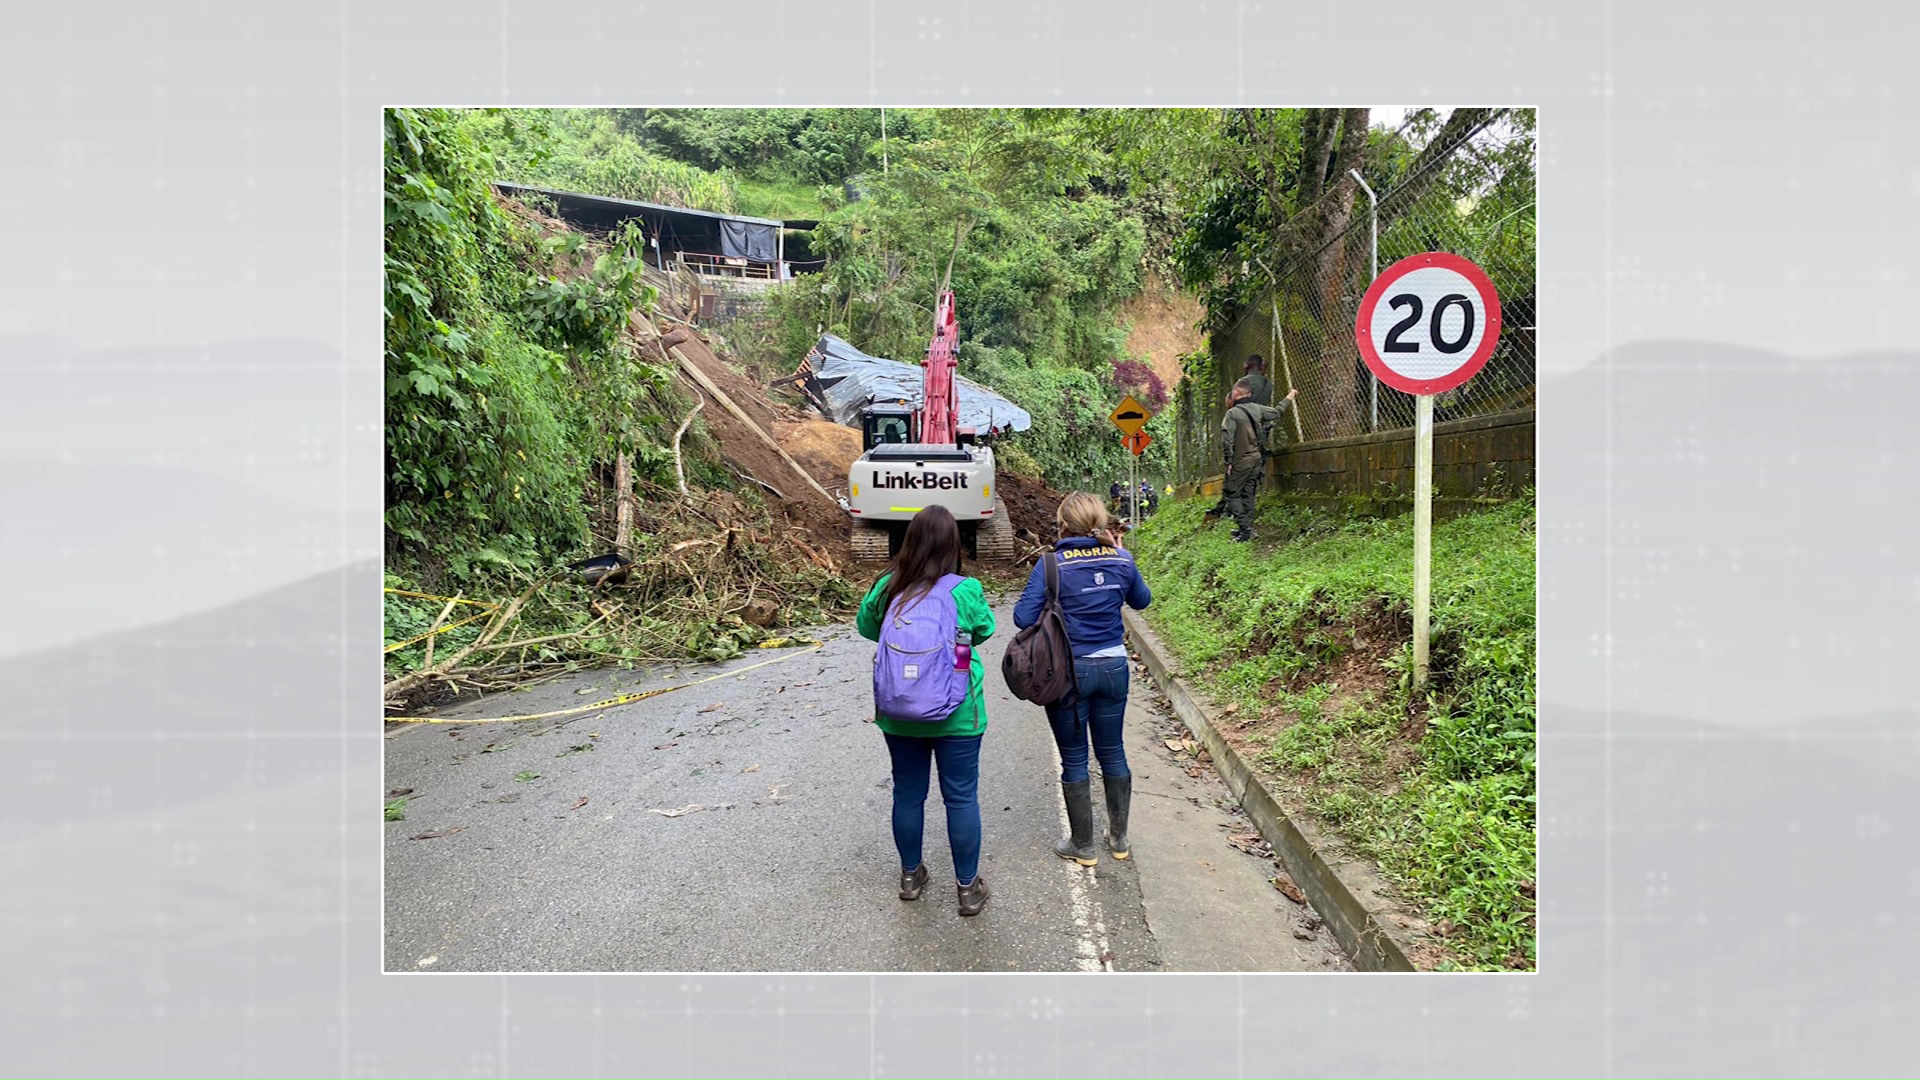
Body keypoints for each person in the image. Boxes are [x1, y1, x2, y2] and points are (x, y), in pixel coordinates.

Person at [855, 506, 998, 916]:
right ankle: (968, 888)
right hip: (959, 713)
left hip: (899, 711)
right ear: (953, 543)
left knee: (908, 793)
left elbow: (868, 629)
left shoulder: (887, 585)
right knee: (961, 798)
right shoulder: (964, 589)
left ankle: (910, 876)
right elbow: (984, 630)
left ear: (910, 540)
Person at [1012, 492, 1152, 865]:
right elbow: (1141, 601)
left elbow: (1023, 619)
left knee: (1074, 757)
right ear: (1102, 523)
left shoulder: (1051, 565)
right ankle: (1119, 840)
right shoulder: (1122, 559)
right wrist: (1121, 558)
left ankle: (1083, 845)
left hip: (1068, 673)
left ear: (1063, 524)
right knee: (1113, 752)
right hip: (1113, 669)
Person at [1220, 378, 1296, 542]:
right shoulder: (1258, 409)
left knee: (1232, 493)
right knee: (1248, 493)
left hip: (1241, 460)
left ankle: (1246, 529)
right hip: (1256, 458)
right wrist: (1289, 396)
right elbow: (1277, 412)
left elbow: (1227, 439)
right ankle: (1248, 528)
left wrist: (1229, 462)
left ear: (1236, 393)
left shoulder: (1232, 414)